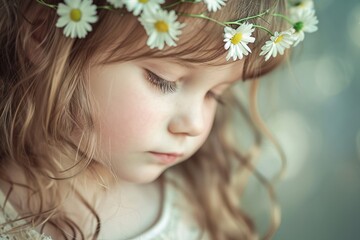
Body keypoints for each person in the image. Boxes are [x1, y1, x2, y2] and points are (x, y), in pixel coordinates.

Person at [0, 0, 318, 239]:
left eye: (216, 95)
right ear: (43, 35)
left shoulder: (196, 200)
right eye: (163, 80)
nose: (194, 125)